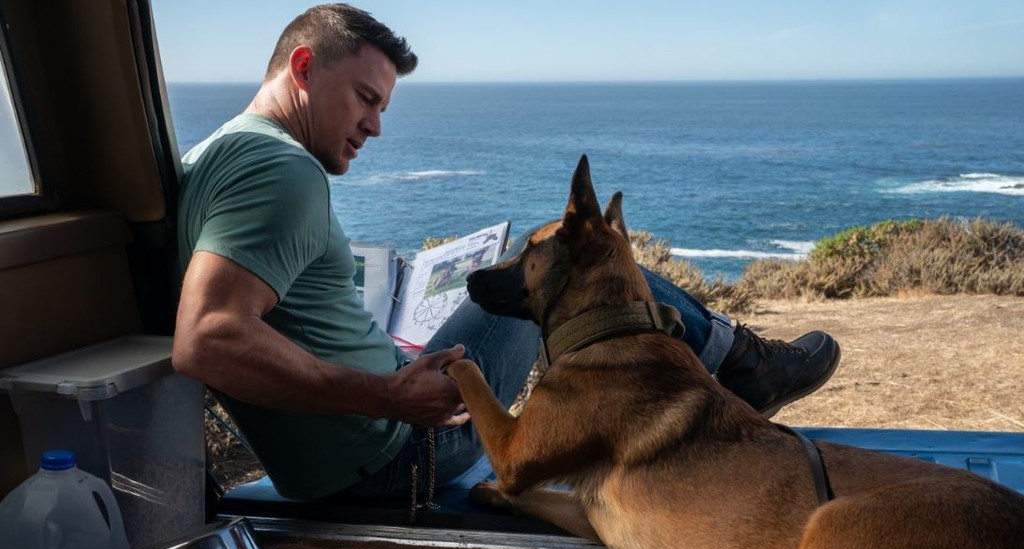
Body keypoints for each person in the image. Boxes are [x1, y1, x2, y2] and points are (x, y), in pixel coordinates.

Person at [172, 4, 841, 505]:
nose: (375, 125)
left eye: (382, 107)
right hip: (401, 455)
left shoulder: (214, 153)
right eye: (365, 99)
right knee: (571, 253)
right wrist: (388, 395)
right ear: (303, 68)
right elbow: (207, 339)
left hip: (339, 457)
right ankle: (741, 364)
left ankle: (726, 364)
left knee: (526, 266)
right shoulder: (285, 172)